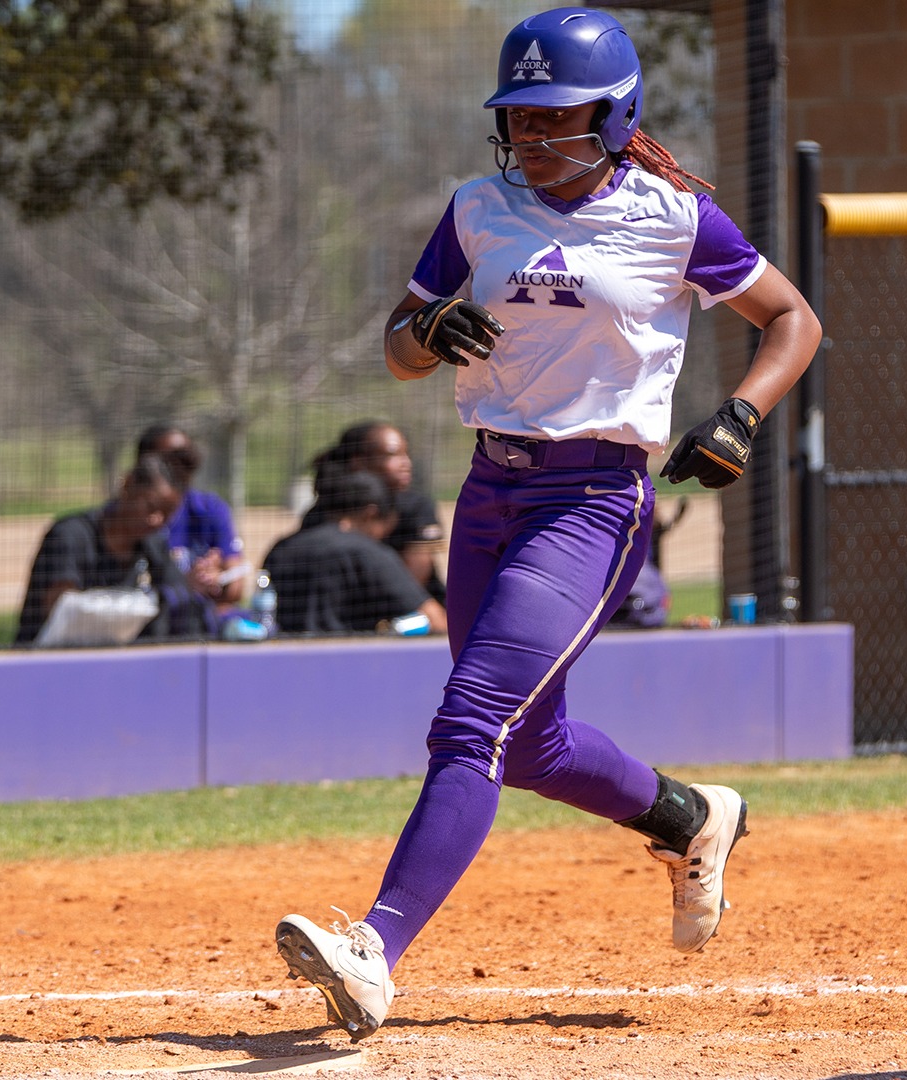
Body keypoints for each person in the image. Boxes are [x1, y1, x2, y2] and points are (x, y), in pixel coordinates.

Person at [272, 7, 821, 1042]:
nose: (531, 135)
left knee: (471, 722)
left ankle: (374, 953)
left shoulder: (675, 217)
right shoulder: (480, 207)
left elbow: (795, 319)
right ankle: (689, 817)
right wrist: (425, 328)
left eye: (556, 116)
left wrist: (741, 416)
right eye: (518, 117)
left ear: (617, 117)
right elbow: (399, 346)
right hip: (490, 495)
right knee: (527, 747)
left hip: (591, 503)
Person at [13, 454, 204, 645]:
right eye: (150, 507)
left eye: (167, 514)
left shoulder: (153, 546)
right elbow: (62, 610)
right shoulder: (70, 535)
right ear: (128, 485)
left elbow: (176, 594)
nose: (156, 520)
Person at [264, 469, 447, 636]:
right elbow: (434, 620)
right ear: (370, 514)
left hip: (282, 659)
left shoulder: (282, 548)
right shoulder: (368, 553)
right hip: (348, 661)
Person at [302, 422, 447, 604]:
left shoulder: (415, 506)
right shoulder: (325, 511)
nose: (406, 463)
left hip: (411, 611)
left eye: (406, 454)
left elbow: (414, 582)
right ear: (358, 461)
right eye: (392, 455)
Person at [135, 423, 247, 614]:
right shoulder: (130, 517)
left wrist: (216, 579)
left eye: (188, 458)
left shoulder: (210, 509)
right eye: (172, 459)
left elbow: (237, 588)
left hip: (197, 622)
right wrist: (183, 584)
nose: (185, 466)